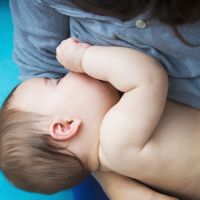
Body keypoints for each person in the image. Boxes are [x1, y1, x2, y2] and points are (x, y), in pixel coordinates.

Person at [8, 0, 200, 199]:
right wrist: (84, 57)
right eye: (56, 82)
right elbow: (148, 76)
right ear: (65, 126)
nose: (66, 73)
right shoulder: (115, 139)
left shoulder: (118, 163)